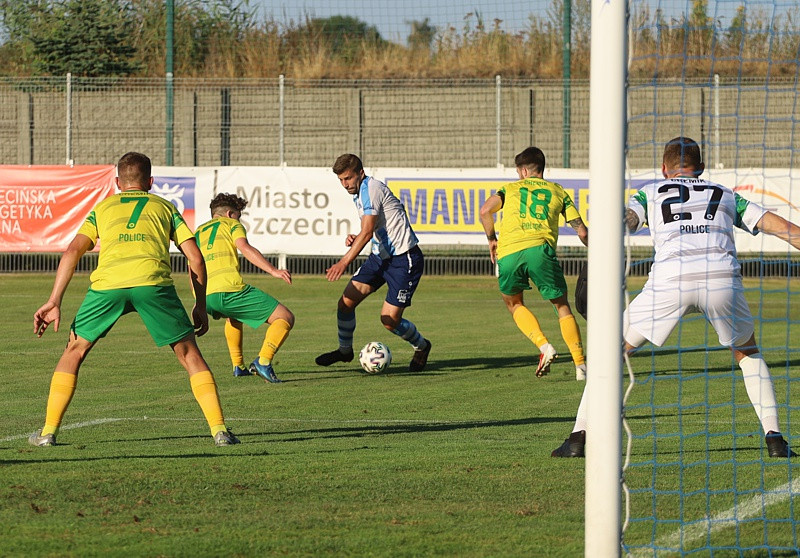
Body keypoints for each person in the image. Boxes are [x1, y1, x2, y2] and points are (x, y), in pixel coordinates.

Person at [552, 136, 799, 459]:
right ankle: (774, 439)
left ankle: (578, 437)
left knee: (612, 353)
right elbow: (779, 227)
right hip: (721, 278)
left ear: (664, 168)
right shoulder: (725, 194)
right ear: (702, 168)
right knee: (747, 352)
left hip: (671, 280)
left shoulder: (651, 192)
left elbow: (626, 221)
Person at [29, 152, 239, 447]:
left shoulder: (102, 208)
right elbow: (195, 258)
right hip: (152, 284)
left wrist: (54, 300)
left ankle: (48, 433)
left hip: (108, 286)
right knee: (189, 354)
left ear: (117, 182)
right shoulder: (165, 207)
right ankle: (219, 431)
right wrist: (200, 305)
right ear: (150, 182)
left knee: (74, 350)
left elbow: (71, 252)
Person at [479, 146, 589, 381]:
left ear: (525, 171)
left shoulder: (509, 190)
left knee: (514, 303)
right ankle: (581, 366)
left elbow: (485, 211)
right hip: (540, 250)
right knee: (561, 305)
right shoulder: (558, 191)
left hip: (509, 253)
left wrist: (491, 240)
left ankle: (543, 345)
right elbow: (581, 231)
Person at [315, 153, 432, 371]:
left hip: (404, 260)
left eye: (348, 178)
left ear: (361, 173)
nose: (344, 184)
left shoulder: (373, 188)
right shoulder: (359, 193)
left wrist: (343, 263)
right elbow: (371, 228)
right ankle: (344, 350)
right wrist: (355, 237)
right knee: (346, 303)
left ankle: (422, 346)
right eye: (341, 180)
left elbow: (368, 232)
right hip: (381, 258)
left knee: (389, 320)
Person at [194, 193, 294, 383]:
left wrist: (198, 302)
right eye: (239, 216)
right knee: (285, 317)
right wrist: (273, 270)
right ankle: (263, 361)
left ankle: (238, 366)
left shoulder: (198, 232)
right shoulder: (232, 225)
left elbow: (194, 264)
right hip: (229, 291)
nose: (239, 220)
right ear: (230, 214)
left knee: (234, 316)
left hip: (206, 297)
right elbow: (245, 247)